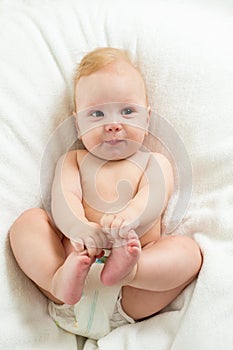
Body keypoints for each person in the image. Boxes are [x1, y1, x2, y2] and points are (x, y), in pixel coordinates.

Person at [9, 47, 202, 338]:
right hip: (70, 279)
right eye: (97, 114)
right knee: (28, 222)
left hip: (131, 293)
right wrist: (81, 228)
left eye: (127, 111)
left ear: (147, 119)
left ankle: (131, 269)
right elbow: (65, 201)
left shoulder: (154, 161)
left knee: (189, 253)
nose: (113, 125)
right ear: (77, 123)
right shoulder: (73, 160)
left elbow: (153, 197)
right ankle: (55, 276)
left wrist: (128, 219)